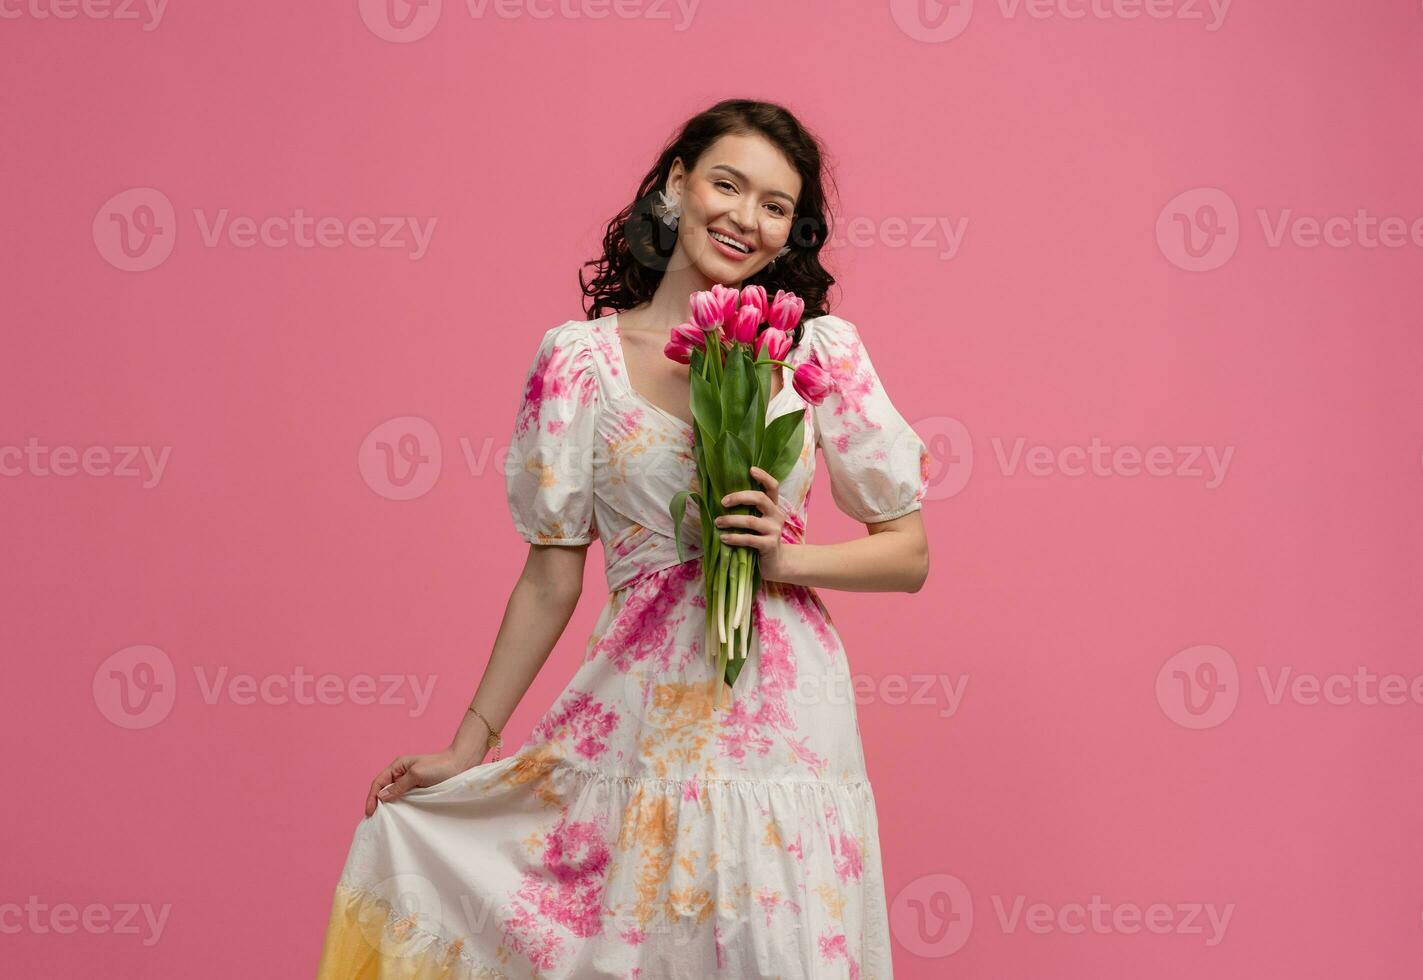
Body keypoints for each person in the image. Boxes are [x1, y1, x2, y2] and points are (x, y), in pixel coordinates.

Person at [315, 98, 931, 979]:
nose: (744, 217)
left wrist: (785, 559)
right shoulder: (579, 360)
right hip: (637, 720)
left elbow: (906, 551)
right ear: (676, 184)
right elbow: (549, 578)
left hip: (785, 729)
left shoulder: (813, 352)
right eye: (727, 184)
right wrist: (469, 743)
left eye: (774, 204)